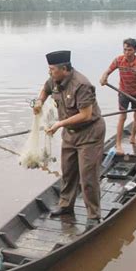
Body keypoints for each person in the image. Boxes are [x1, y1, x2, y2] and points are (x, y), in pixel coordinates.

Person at [33, 50, 105, 231]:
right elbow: (45, 90)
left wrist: (59, 124)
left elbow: (86, 115)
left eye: (52, 69)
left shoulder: (81, 85)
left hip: (89, 134)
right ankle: (65, 206)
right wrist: (40, 102)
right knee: (68, 171)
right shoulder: (54, 80)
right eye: (48, 69)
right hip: (70, 134)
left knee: (88, 176)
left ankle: (93, 216)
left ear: (64, 69)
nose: (49, 72)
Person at [99, 38, 136, 155]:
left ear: (135, 50)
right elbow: (108, 71)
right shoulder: (119, 60)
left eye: (130, 50)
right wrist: (104, 77)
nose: (127, 52)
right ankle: (118, 144)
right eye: (125, 50)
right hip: (123, 92)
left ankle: (133, 137)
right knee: (122, 117)